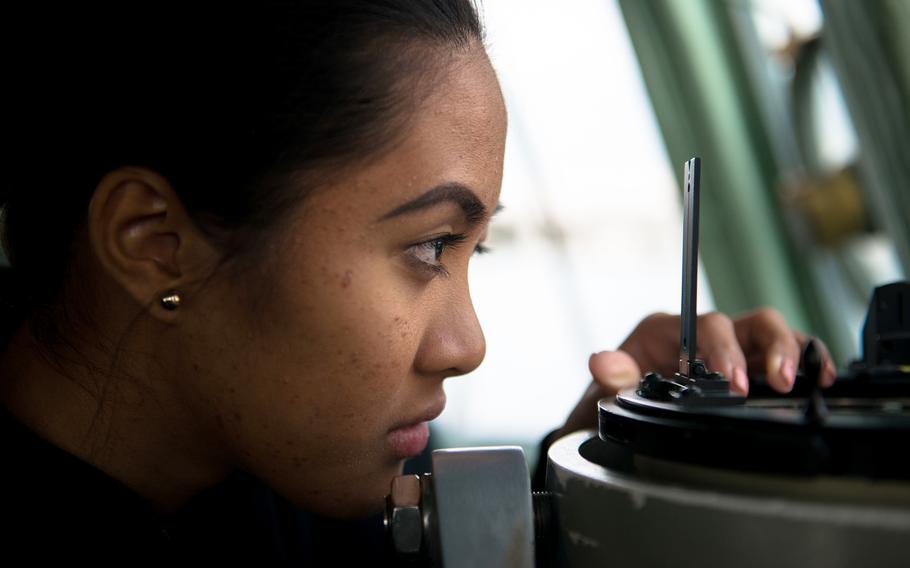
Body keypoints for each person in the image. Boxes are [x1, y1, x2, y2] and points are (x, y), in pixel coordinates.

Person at [0, 1, 835, 564]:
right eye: (431, 246)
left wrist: (593, 478)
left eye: (480, 249)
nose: (467, 346)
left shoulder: (292, 485)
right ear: (153, 243)